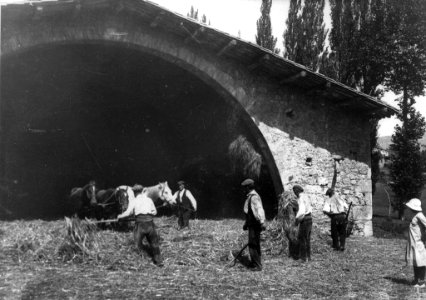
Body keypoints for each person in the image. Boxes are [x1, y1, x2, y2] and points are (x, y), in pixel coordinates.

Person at [117, 185, 163, 267]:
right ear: (142, 191)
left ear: (134, 192)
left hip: (140, 225)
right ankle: (159, 261)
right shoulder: (149, 200)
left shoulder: (134, 201)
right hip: (150, 225)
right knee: (154, 243)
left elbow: (128, 213)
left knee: (137, 243)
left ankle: (141, 261)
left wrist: (120, 216)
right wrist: (148, 215)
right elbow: (155, 212)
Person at [241, 178, 266, 271]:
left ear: (248, 187)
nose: (244, 189)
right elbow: (249, 212)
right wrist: (246, 224)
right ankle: (254, 262)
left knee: (253, 244)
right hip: (251, 224)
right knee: (253, 244)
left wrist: (262, 222)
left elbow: (259, 210)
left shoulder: (254, 197)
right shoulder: (250, 196)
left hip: (255, 225)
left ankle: (257, 265)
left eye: (244, 187)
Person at [405, 198, 426, 288]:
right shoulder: (414, 215)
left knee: (420, 261)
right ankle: (416, 279)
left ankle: (421, 281)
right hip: (412, 242)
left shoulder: (420, 216)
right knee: (415, 261)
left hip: (418, 243)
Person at [294, 185, 312, 262]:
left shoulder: (301, 199)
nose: (294, 193)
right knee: (307, 239)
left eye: (294, 191)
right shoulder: (306, 197)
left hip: (304, 219)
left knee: (302, 239)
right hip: (310, 218)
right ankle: (308, 257)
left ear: (297, 191)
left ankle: (303, 258)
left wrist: (296, 220)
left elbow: (301, 212)